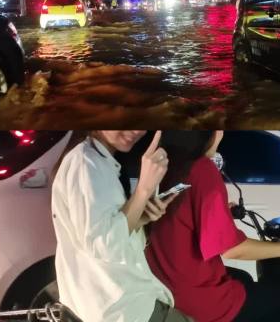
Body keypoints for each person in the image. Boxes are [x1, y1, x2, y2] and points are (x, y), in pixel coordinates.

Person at [145, 131, 280, 322]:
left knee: (243, 279)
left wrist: (221, 214)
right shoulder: (202, 169)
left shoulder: (171, 166)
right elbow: (232, 250)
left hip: (170, 287)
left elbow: (180, 206)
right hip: (202, 300)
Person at [52, 131, 191, 322]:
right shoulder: (86, 162)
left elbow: (108, 236)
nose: (136, 130)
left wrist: (140, 216)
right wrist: (143, 189)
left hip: (117, 306)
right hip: (124, 307)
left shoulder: (97, 161)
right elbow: (105, 246)